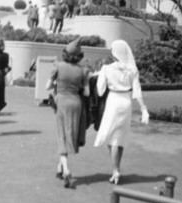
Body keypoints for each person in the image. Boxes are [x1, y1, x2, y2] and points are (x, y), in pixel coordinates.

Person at [94, 39, 149, 184]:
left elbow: (100, 92)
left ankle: (115, 171)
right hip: (126, 101)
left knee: (112, 139)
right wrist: (143, 109)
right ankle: (117, 168)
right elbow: (137, 91)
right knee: (121, 137)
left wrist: (99, 76)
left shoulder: (106, 68)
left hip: (113, 100)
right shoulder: (133, 70)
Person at [46, 37, 89, 188]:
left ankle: (66, 170)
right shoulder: (83, 70)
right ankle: (60, 167)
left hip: (62, 102)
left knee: (62, 135)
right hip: (76, 102)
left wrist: (58, 83)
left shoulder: (58, 66)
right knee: (70, 133)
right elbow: (87, 93)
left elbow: (47, 87)